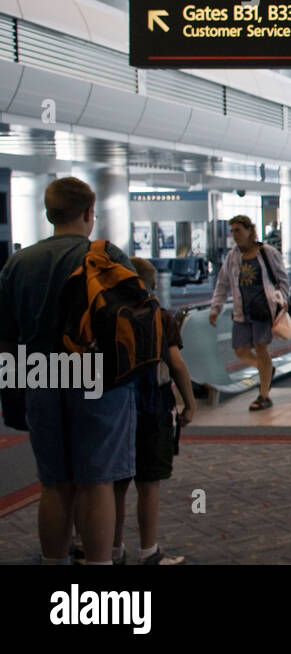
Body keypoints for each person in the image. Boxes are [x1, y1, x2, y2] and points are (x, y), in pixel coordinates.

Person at [0, 177, 137, 565]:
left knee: (54, 484)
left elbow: (6, 338)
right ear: (89, 213)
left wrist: (12, 395)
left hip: (41, 375)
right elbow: (137, 325)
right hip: (97, 376)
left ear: (48, 213)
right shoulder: (106, 255)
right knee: (97, 482)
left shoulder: (18, 263)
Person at [112, 258, 197, 565]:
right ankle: (148, 551)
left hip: (116, 409)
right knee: (148, 485)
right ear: (151, 284)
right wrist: (189, 401)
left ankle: (113, 549)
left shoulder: (109, 316)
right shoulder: (160, 317)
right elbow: (176, 365)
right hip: (153, 409)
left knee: (116, 485)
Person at [210, 215, 289, 411]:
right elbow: (222, 284)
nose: (235, 235)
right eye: (233, 231)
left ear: (249, 231)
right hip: (241, 312)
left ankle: (264, 395)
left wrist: (282, 302)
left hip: (263, 310)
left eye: (238, 230)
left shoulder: (267, 253)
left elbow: (282, 279)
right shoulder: (232, 257)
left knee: (261, 348)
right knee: (240, 350)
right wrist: (216, 307)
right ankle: (266, 369)